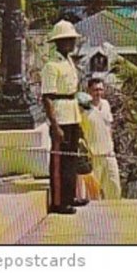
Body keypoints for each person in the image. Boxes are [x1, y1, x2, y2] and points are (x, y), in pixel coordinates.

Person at [41, 20, 86, 214]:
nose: (71, 43)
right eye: (67, 40)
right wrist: (55, 125)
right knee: (60, 161)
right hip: (60, 115)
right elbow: (47, 97)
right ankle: (59, 201)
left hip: (72, 113)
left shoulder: (69, 62)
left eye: (72, 40)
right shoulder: (51, 66)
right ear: (59, 42)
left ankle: (70, 196)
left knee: (71, 159)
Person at [80, 78, 122, 199]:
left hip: (109, 154)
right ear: (89, 91)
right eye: (95, 90)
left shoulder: (106, 104)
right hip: (94, 156)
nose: (98, 93)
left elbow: (109, 127)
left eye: (100, 89)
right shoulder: (83, 109)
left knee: (114, 188)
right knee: (94, 193)